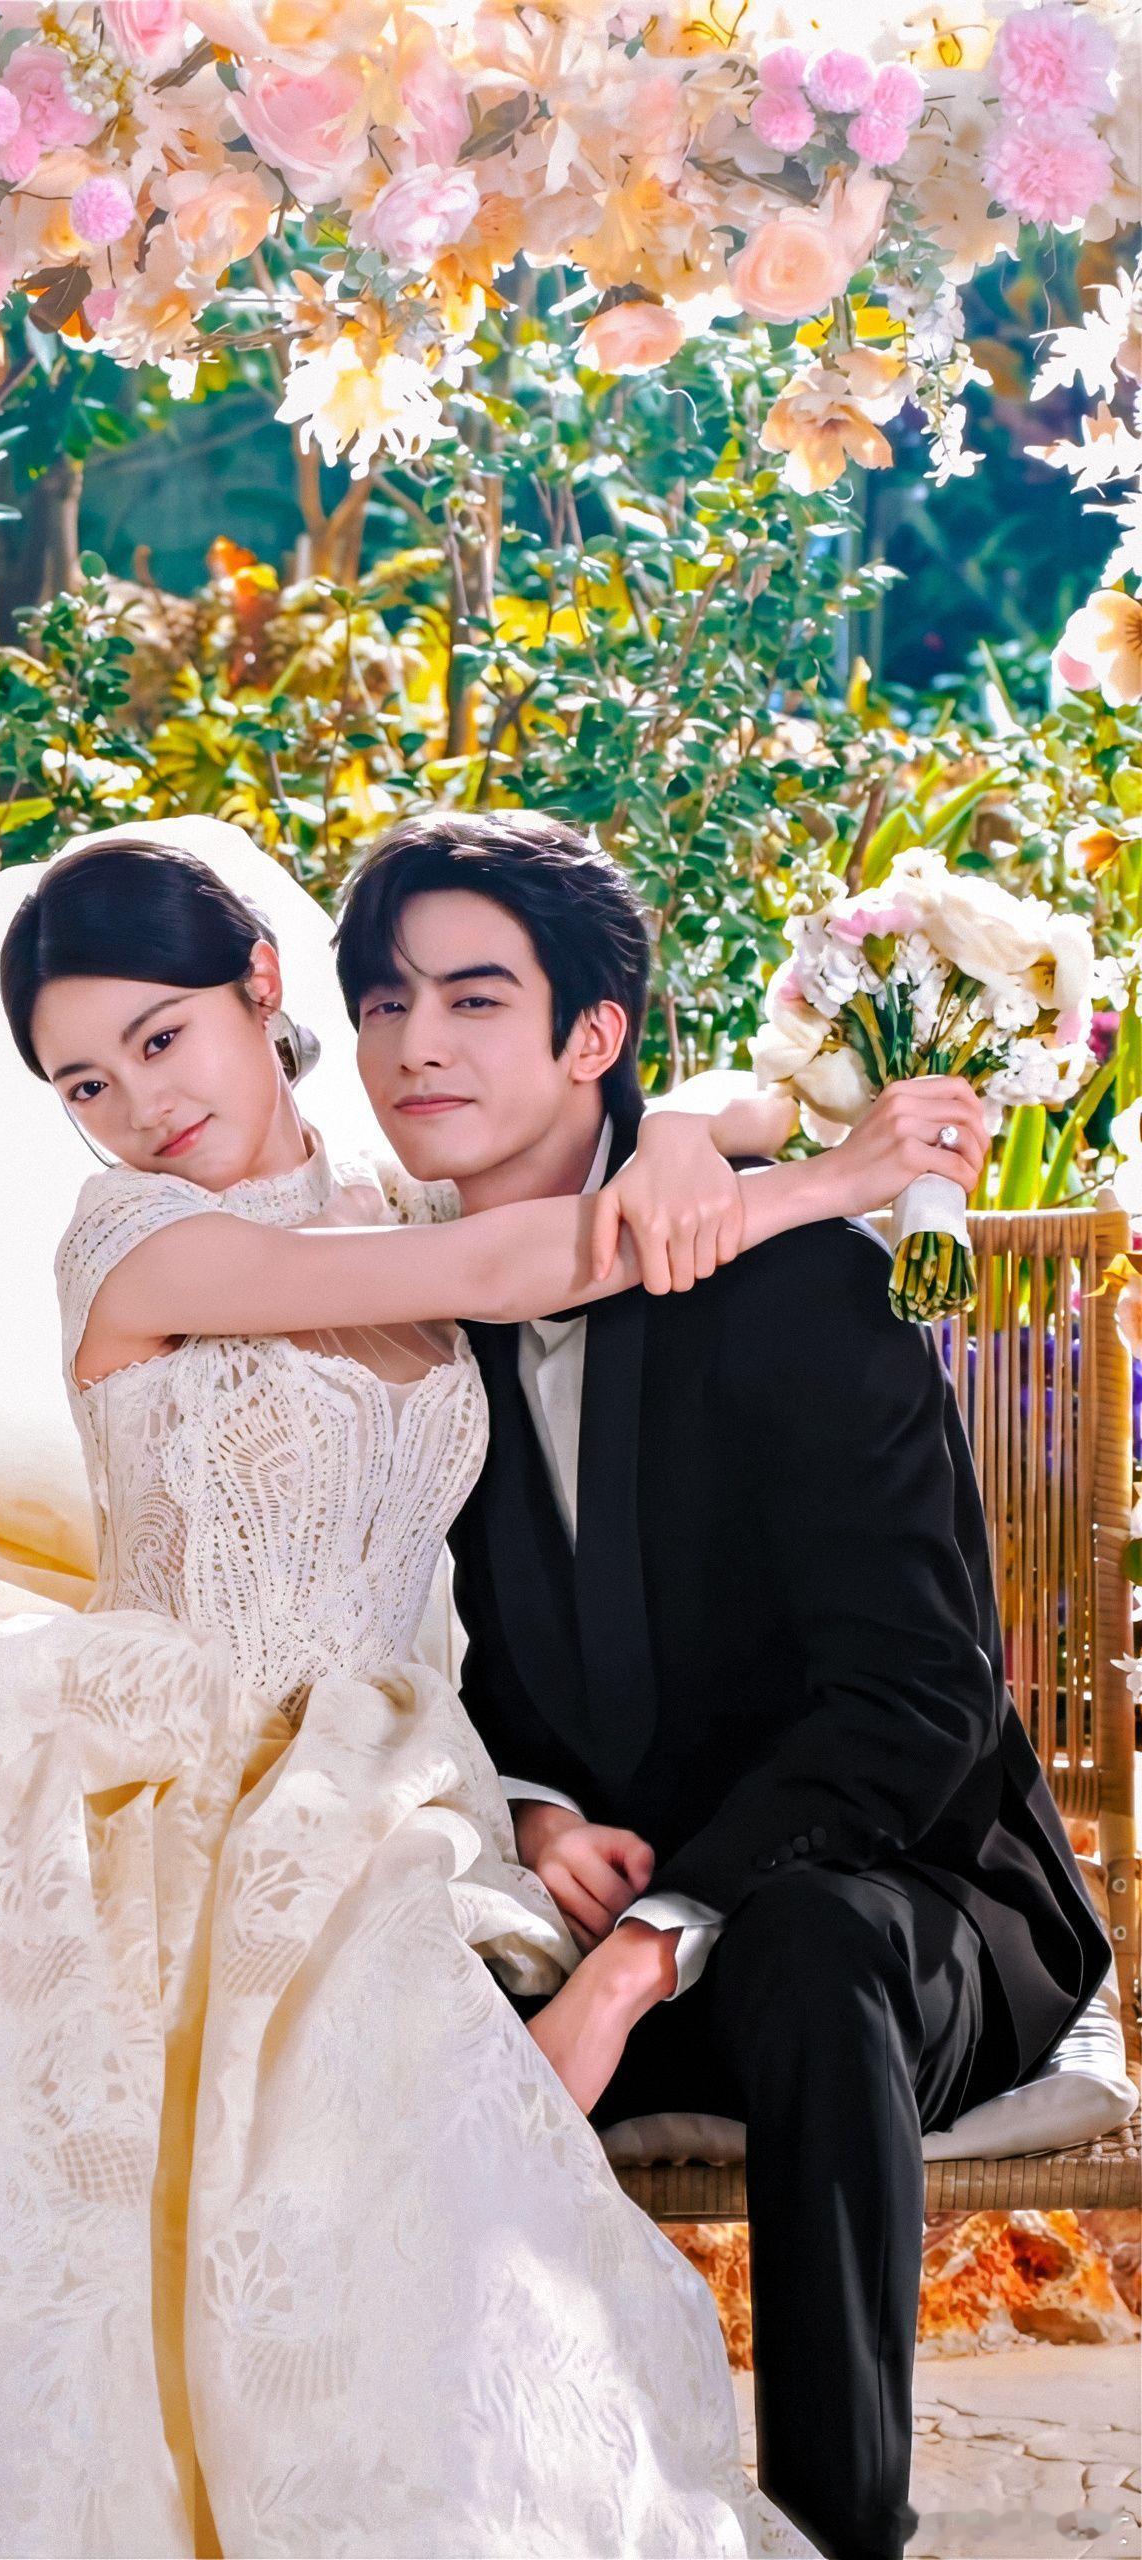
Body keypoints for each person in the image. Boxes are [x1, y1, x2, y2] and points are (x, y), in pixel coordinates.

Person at [0, 815, 970, 2560]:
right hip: (158, 1756)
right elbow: (510, 1267)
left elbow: (615, 1140)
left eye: (163, 1038)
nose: (142, 1105)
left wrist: (700, 1127)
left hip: (386, 1768)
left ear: (258, 987)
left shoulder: (395, 1188)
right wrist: (832, 1182)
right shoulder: (139, 1242)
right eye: (85, 1084)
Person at [330, 807, 1117, 2560]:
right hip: (578, 1890)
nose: (416, 1045)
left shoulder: (803, 1284)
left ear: (593, 1036)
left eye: (473, 998)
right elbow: (400, 1644)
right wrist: (528, 1813)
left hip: (901, 1894)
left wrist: (646, 1945)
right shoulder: (407, 1305)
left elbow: (919, 1701)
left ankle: (843, 2525)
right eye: (384, 1004)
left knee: (815, 1946)